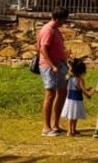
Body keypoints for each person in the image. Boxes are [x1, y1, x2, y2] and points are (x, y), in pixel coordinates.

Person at [38, 7, 70, 137]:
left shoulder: (56, 30)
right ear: (57, 19)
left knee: (62, 92)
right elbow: (43, 49)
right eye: (63, 20)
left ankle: (55, 124)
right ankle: (46, 127)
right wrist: (52, 65)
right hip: (49, 66)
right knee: (50, 93)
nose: (65, 22)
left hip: (59, 64)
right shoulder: (48, 30)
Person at [60, 58, 93, 136]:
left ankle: (70, 130)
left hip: (69, 99)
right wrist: (89, 93)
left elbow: (76, 87)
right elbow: (83, 90)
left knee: (71, 116)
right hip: (77, 100)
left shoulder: (70, 78)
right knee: (75, 116)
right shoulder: (80, 80)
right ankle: (72, 130)